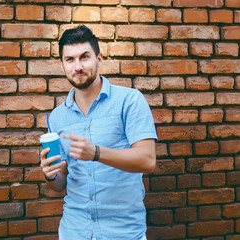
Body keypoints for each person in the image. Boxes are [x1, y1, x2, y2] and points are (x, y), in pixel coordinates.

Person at [40, 25, 157, 240]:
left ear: (99, 58)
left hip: (124, 233)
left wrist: (95, 152)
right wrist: (50, 175)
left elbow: (148, 160)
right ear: (62, 64)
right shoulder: (57, 117)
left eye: (84, 57)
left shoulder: (129, 101)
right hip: (74, 231)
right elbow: (61, 183)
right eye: (70, 59)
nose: (78, 66)